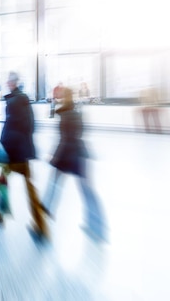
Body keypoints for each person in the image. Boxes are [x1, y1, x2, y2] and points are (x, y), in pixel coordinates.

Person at [43, 87, 107, 242]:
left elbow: (64, 139)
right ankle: (98, 228)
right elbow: (79, 134)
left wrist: (55, 157)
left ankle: (45, 214)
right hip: (79, 155)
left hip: (67, 156)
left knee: (54, 185)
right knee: (87, 191)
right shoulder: (78, 114)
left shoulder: (64, 115)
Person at [0, 72, 49, 242]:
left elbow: (9, 128)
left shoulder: (12, 102)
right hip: (24, 152)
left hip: (12, 153)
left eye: (8, 81)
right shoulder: (25, 100)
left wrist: (2, 143)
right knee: (30, 189)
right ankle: (41, 226)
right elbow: (31, 125)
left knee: (1, 182)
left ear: (11, 83)